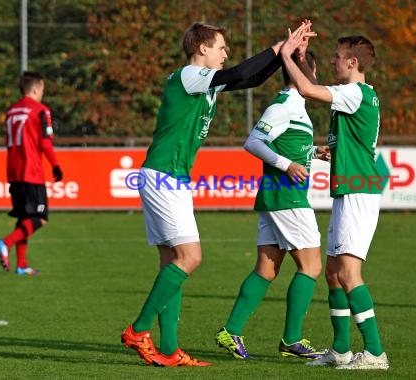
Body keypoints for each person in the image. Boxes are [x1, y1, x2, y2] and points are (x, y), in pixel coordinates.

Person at [120, 21, 317, 368]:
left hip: (168, 176)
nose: (226, 53)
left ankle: (169, 350)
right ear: (201, 49)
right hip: (165, 175)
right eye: (221, 47)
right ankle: (138, 330)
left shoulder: (203, 82)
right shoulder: (189, 75)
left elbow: (250, 79)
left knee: (173, 262)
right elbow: (242, 71)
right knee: (190, 258)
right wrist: (277, 50)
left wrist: (283, 52)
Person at [280, 26, 389, 370]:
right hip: (349, 190)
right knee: (332, 273)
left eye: (338, 57)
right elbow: (314, 85)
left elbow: (308, 89)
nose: (332, 61)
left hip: (359, 192)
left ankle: (374, 352)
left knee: (348, 273)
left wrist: (286, 55)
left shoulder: (354, 93)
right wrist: (301, 58)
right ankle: (341, 349)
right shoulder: (354, 92)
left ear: (353, 62)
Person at [215, 42, 330, 360]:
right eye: (314, 71)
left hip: (276, 198)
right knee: (311, 266)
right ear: (306, 72)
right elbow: (253, 141)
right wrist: (286, 164)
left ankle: (230, 332)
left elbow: (286, 145)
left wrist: (314, 154)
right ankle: (292, 340)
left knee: (266, 268)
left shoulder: (297, 109)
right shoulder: (284, 106)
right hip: (286, 197)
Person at [0, 71, 63, 276]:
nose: (43, 92)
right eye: (42, 88)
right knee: (40, 217)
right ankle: (5, 243)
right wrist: (56, 165)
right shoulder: (40, 110)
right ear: (35, 88)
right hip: (31, 172)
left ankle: (21, 265)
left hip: (14, 171)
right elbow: (45, 142)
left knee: (24, 217)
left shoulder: (11, 111)